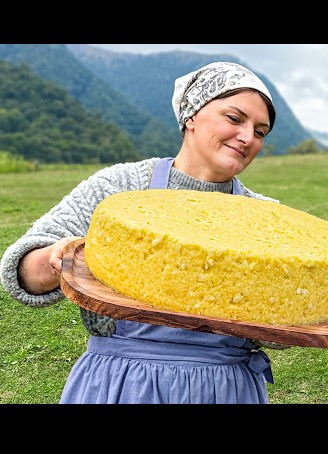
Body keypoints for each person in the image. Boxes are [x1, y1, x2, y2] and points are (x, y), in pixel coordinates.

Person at [0, 61, 284, 403]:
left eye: (260, 131)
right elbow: (21, 274)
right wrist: (53, 259)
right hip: (122, 384)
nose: (247, 137)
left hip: (226, 389)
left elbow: (281, 327)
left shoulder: (265, 216)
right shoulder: (120, 187)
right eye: (234, 119)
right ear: (191, 115)